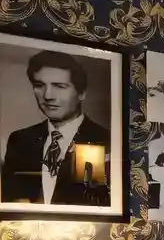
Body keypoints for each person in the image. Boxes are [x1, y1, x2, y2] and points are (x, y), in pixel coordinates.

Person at [2, 50, 110, 206]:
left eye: (59, 86)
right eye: (39, 85)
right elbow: (9, 198)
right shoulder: (20, 140)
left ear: (81, 93)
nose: (48, 96)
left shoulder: (104, 140)